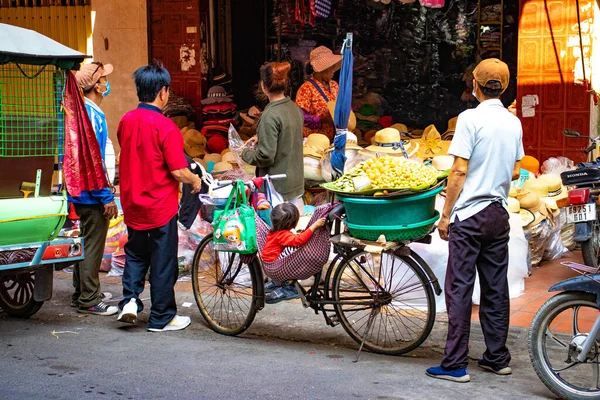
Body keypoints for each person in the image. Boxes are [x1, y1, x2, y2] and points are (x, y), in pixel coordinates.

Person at [426, 58, 524, 383]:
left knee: (459, 289)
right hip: (498, 213)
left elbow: (458, 171)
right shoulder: (514, 123)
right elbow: (514, 171)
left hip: (469, 215)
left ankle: (455, 363)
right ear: (505, 87)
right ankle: (497, 358)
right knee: (496, 288)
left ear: (475, 87)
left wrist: (445, 215)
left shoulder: (469, 119)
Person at [116, 62, 202, 332]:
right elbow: (178, 170)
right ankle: (161, 317)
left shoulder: (126, 121)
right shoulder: (167, 128)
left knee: (136, 254)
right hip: (159, 206)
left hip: (132, 203)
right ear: (163, 92)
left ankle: (130, 300)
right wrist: (195, 179)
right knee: (163, 262)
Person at [242, 61, 305, 302]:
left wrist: (245, 154)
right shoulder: (292, 108)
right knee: (290, 231)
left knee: (277, 234)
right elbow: (284, 138)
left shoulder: (269, 114)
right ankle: (287, 279)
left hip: (275, 182)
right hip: (293, 179)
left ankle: (284, 282)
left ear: (263, 86)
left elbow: (266, 155)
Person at [69, 62, 119, 316]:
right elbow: (95, 160)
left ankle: (81, 292)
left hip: (80, 191)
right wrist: (106, 196)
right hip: (92, 193)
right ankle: (89, 298)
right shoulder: (94, 116)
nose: (106, 83)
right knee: (92, 245)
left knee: (84, 241)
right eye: (103, 79)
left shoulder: (78, 113)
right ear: (96, 86)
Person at [295, 46, 342, 140]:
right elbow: (300, 117)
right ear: (321, 69)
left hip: (333, 139)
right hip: (314, 140)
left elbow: (343, 103)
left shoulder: (334, 85)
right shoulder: (306, 89)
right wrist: (323, 120)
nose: (333, 71)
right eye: (331, 67)